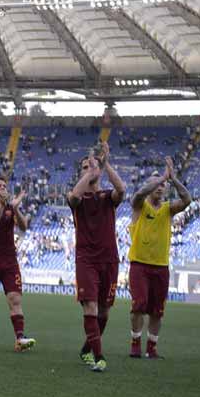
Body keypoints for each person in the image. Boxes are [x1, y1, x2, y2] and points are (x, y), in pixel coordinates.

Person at [67, 142, 125, 372]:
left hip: (109, 259)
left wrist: (105, 163)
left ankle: (86, 349)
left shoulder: (107, 197)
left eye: (92, 167)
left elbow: (122, 190)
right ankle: (100, 357)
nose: (89, 169)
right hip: (86, 259)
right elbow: (73, 197)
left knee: (104, 311)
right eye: (84, 167)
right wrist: (90, 172)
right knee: (90, 307)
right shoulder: (77, 198)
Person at [128, 156, 191, 359]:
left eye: (163, 185)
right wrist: (160, 177)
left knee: (157, 311)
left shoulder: (168, 209)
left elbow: (187, 200)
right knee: (138, 305)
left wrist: (172, 178)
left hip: (161, 266)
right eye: (156, 184)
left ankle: (152, 348)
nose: (160, 187)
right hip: (139, 264)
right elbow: (138, 195)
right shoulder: (140, 206)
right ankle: (135, 344)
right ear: (149, 186)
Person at [0, 176, 36, 352]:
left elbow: (24, 227)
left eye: (4, 185)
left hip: (10, 260)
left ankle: (20, 338)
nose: (3, 188)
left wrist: (15, 208)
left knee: (15, 298)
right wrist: (4, 206)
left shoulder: (10, 208)